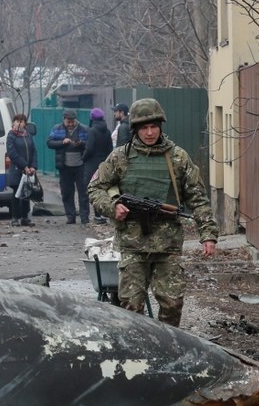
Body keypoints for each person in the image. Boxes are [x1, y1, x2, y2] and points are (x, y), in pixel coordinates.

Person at [88, 98, 218, 327]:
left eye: (154, 127)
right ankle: (137, 354)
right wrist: (112, 207)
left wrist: (207, 234)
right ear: (135, 129)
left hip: (168, 246)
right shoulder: (120, 157)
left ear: (161, 126)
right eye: (144, 128)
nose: (149, 133)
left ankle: (167, 349)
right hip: (132, 245)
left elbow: (198, 198)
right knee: (131, 307)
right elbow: (95, 188)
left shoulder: (177, 157)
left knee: (172, 304)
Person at [47, 108, 90, 224]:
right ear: (64, 119)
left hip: (81, 166)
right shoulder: (57, 129)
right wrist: (62, 142)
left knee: (83, 193)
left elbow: (90, 144)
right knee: (66, 192)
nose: (70, 124)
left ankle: (84, 217)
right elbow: (49, 143)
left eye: (72, 122)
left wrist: (81, 143)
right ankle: (70, 216)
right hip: (64, 166)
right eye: (68, 122)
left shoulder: (84, 129)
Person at [6, 113, 37, 227]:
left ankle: (25, 217)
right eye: (17, 121)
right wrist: (24, 166)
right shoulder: (11, 136)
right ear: (13, 122)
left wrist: (33, 166)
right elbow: (12, 153)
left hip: (28, 170)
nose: (19, 123)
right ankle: (15, 217)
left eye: (22, 121)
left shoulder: (27, 135)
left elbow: (33, 151)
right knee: (16, 194)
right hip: (17, 169)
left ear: (25, 124)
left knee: (26, 193)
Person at [82, 107, 112, 224]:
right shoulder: (108, 131)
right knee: (103, 188)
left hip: (92, 164)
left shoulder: (92, 131)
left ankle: (97, 215)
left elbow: (89, 148)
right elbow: (110, 148)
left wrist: (83, 158)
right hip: (104, 163)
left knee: (92, 189)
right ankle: (104, 214)